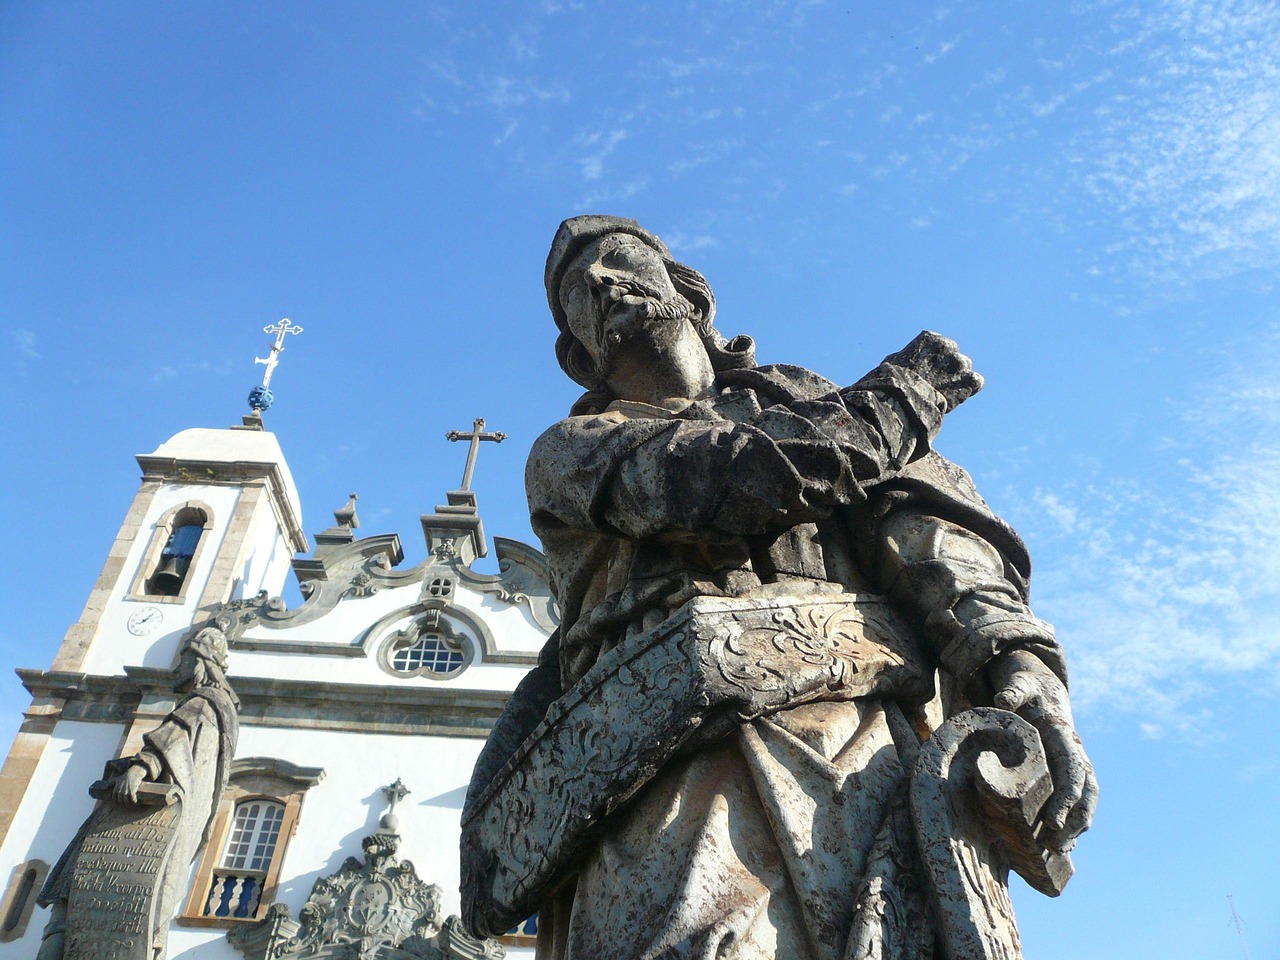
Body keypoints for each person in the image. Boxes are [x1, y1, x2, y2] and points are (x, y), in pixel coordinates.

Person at [464, 216, 1096, 960]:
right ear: (581, 351)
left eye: (621, 260)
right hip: (666, 766)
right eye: (577, 293)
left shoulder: (810, 403)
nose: (602, 283)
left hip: (863, 741)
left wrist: (1021, 666)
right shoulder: (570, 452)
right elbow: (726, 481)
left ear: (688, 293)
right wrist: (901, 401)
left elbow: (930, 538)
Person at [36, 626, 240, 960]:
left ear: (202, 662)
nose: (179, 666)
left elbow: (174, 737)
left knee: (68, 912)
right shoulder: (223, 710)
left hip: (145, 830)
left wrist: (139, 769)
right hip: (164, 833)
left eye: (186, 658)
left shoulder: (202, 705)